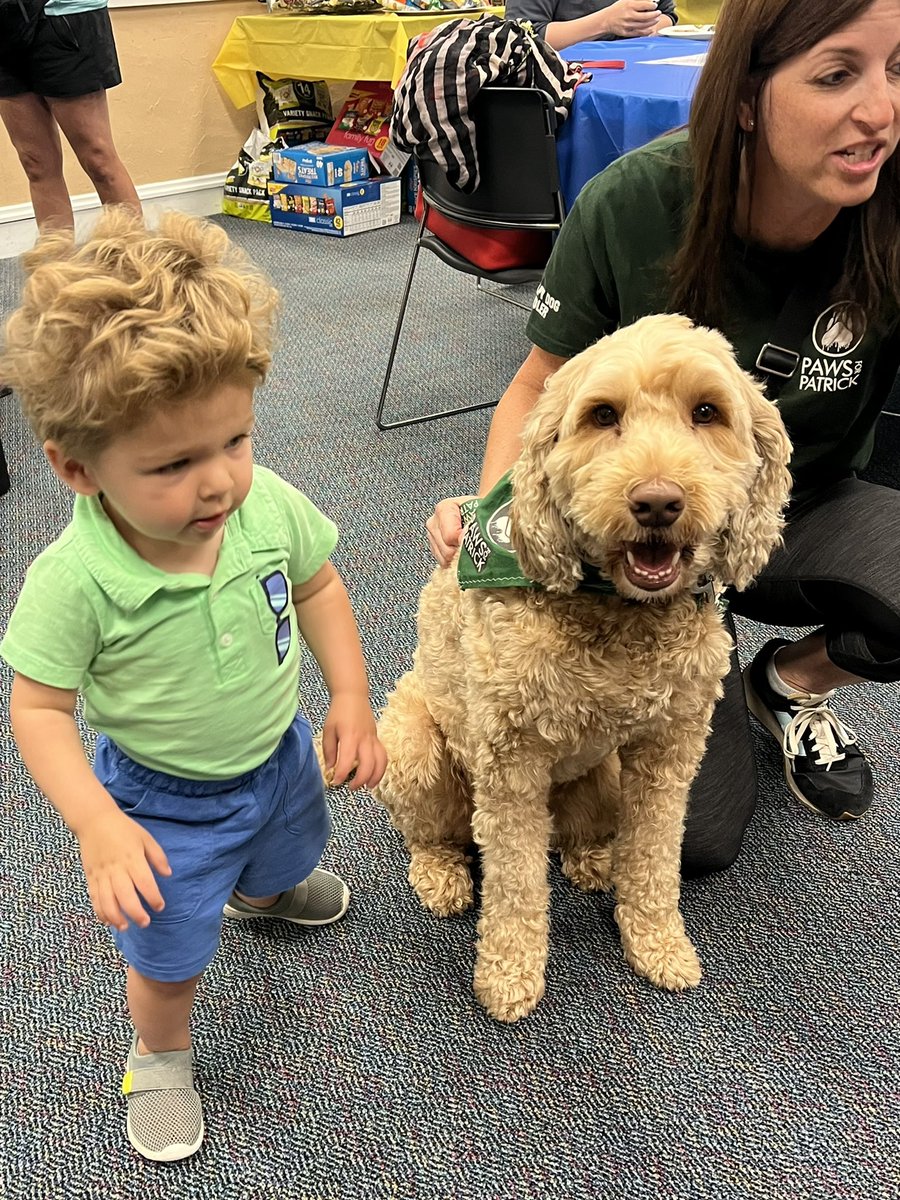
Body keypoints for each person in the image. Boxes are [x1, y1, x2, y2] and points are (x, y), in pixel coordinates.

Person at [427, 0, 900, 874]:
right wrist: (493, 522)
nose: (879, 111)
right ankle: (697, 663)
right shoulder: (634, 203)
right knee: (699, 840)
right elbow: (538, 388)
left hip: (801, 504)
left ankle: (785, 683)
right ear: (750, 96)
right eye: (838, 75)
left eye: (899, 70)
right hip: (633, 541)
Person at [0, 209, 387, 1162]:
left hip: (280, 752)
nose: (219, 483)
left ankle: (261, 895)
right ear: (76, 468)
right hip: (161, 805)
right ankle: (160, 1056)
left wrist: (348, 696)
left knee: (290, 850)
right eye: (174, 465)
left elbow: (322, 582)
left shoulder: (265, 504)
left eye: (235, 441)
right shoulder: (74, 582)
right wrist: (96, 822)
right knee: (168, 958)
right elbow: (38, 708)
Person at [0, 0, 139, 231]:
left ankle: (133, 262)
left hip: (66, 14)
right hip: (5, 22)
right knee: (35, 164)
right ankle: (56, 264)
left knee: (99, 160)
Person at [504, 0, 676, 52]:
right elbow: (520, 38)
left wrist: (646, 25)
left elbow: (668, 15)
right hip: (567, 87)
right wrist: (605, 22)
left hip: (639, 71)